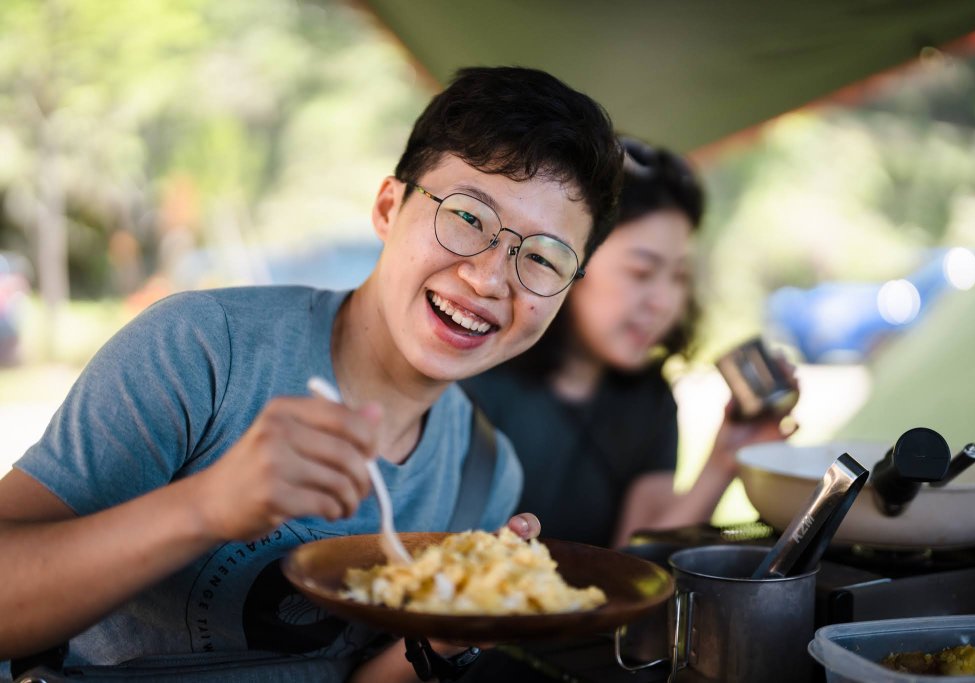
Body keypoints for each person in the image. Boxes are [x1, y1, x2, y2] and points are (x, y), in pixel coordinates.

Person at [0, 66, 623, 682]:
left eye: (542, 257)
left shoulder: (483, 472)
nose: (489, 279)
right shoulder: (204, 351)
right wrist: (205, 508)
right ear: (388, 207)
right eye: (466, 218)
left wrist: (455, 626)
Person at [462, 136, 797, 549]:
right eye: (641, 272)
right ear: (569, 260)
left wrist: (724, 461)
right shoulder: (474, 376)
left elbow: (638, 561)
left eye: (678, 277)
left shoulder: (649, 399)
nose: (665, 303)